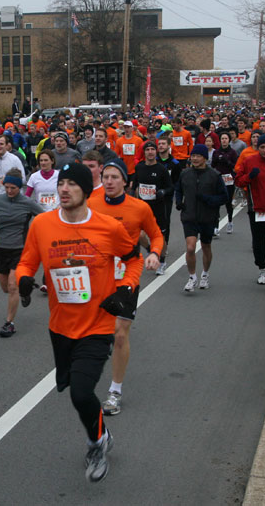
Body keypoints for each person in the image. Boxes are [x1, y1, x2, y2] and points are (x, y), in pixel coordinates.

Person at [16, 162, 142, 482]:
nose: (64, 189)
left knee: (81, 394)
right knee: (73, 388)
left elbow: (133, 259)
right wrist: (24, 278)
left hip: (97, 326)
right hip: (60, 326)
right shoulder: (42, 225)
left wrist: (126, 288)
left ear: (86, 190)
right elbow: (28, 260)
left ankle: (96, 442)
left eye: (72, 184)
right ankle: (99, 434)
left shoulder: (108, 227)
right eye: (62, 183)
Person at [88, 159, 163, 416]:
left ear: (125, 182)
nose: (109, 181)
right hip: (97, 276)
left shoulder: (139, 208)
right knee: (95, 332)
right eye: (105, 176)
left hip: (126, 275)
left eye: (114, 177)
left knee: (120, 334)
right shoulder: (91, 204)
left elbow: (156, 234)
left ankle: (115, 391)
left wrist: (154, 253)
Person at [0, 169, 45, 337]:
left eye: (13, 188)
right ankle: (26, 287)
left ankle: (9, 323)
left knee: (12, 287)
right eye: (7, 187)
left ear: (20, 188)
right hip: (0, 249)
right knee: (5, 288)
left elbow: (45, 217)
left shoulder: (27, 203)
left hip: (20, 250)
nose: (9, 191)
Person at [234, 134, 265, 290]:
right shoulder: (249, 161)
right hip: (256, 208)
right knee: (258, 241)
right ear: (258, 147)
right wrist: (250, 176)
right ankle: (262, 269)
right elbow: (238, 180)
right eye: (262, 147)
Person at [175, 144, 228, 292]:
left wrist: (208, 199)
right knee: (190, 247)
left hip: (207, 217)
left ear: (204, 157)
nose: (195, 159)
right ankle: (192, 277)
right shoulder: (185, 174)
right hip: (189, 215)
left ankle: (205, 274)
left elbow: (224, 197)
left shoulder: (214, 175)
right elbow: (178, 189)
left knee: (206, 246)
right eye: (193, 156)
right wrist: (179, 202)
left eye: (198, 156)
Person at [134, 139, 175, 274]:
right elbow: (134, 186)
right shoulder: (139, 167)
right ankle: (151, 249)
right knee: (140, 235)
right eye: (147, 150)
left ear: (156, 151)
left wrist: (163, 192)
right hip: (142, 208)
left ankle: (162, 261)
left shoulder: (161, 169)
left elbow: (170, 188)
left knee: (160, 236)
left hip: (158, 207)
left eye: (152, 149)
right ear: (144, 152)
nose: (150, 152)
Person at [211, 133, 238, 234]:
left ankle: (230, 222)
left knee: (228, 202)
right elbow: (213, 165)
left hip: (229, 179)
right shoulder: (216, 151)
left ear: (229, 140)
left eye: (226, 138)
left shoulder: (233, 152)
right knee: (217, 202)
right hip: (218, 178)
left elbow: (235, 166)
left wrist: (227, 161)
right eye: (222, 139)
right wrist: (216, 159)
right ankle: (216, 226)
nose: (224, 140)